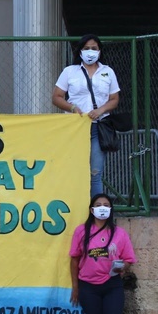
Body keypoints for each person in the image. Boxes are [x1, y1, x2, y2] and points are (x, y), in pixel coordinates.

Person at [69, 193, 137, 314]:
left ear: (111, 209)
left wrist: (123, 266)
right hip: (88, 287)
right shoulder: (81, 232)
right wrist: (75, 288)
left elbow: (129, 259)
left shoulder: (120, 233)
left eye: (106, 205)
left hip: (112, 285)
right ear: (92, 210)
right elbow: (74, 260)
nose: (102, 208)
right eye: (98, 204)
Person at [52, 34, 120, 198]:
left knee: (95, 172)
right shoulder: (70, 71)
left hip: (98, 127)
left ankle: (96, 208)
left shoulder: (107, 72)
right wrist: (73, 107)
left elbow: (114, 99)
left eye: (94, 48)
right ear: (80, 51)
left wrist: (100, 110)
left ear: (100, 51)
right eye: (86, 48)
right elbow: (57, 97)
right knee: (73, 169)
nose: (90, 52)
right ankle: (73, 205)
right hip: (75, 127)